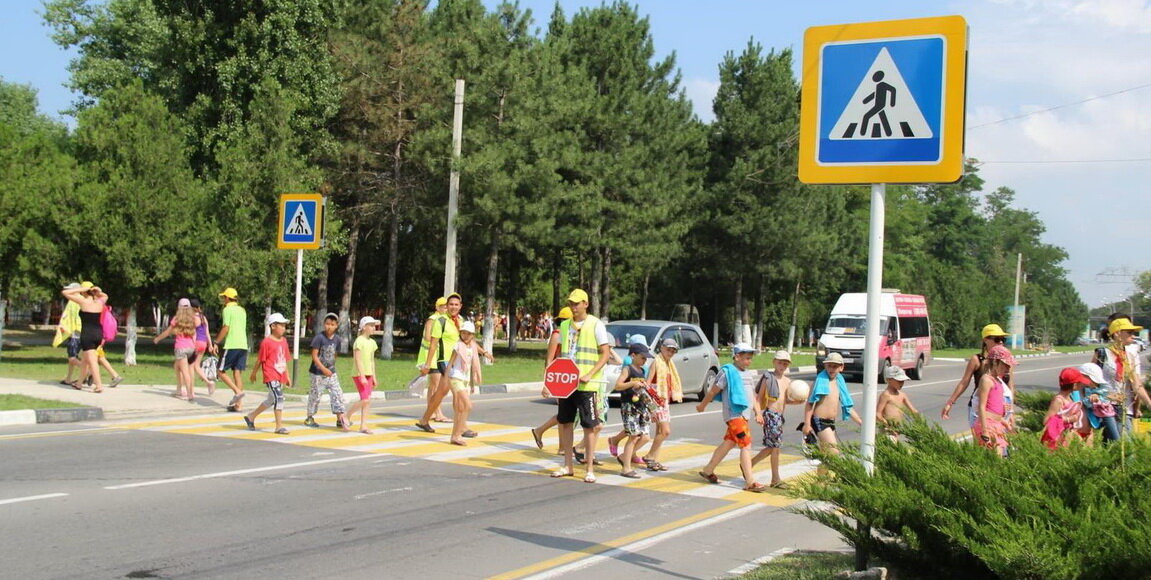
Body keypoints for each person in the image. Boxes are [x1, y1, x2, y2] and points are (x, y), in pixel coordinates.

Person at [550, 289, 613, 484]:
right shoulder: (565, 325)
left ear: (586, 304)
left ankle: (589, 468)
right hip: (567, 383)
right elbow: (560, 354)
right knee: (565, 423)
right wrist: (550, 381)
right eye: (571, 303)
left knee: (589, 426)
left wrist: (590, 373)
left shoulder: (596, 324)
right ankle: (567, 465)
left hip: (587, 385)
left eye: (577, 303)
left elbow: (605, 353)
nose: (573, 307)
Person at [696, 343, 766, 492]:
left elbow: (753, 395)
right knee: (746, 444)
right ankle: (750, 481)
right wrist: (702, 405)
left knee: (729, 443)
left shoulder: (748, 374)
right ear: (737, 357)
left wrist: (758, 412)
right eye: (746, 358)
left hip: (744, 415)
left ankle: (708, 470)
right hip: (734, 415)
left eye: (750, 358)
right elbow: (713, 391)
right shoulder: (727, 372)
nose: (749, 361)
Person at [942, 323, 1016, 435]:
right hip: (979, 408)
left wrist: (1011, 411)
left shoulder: (1007, 360)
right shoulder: (977, 360)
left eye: (1003, 339)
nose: (1001, 342)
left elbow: (1010, 386)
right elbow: (964, 382)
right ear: (985, 340)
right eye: (997, 339)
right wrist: (950, 402)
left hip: (1001, 409)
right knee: (982, 440)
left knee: (1001, 442)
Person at [802, 352, 863, 472]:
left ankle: (820, 482)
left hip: (831, 422)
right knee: (834, 452)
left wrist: (860, 422)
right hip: (819, 421)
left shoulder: (839, 382)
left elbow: (847, 406)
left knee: (826, 455)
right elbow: (809, 403)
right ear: (825, 366)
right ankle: (836, 477)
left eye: (835, 366)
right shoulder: (819, 381)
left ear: (841, 367)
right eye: (829, 366)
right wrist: (807, 424)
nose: (831, 369)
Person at [1096, 317, 1151, 435]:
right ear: (1117, 334)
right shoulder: (1102, 354)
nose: (1133, 336)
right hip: (1105, 407)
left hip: (1125, 408)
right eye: (1129, 333)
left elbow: (1137, 385)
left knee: (1124, 443)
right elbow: (1090, 382)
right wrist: (1105, 395)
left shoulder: (1129, 356)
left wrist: (1148, 403)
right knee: (1118, 441)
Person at [417, 293, 463, 432]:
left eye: (456, 304)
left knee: (440, 392)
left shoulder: (460, 320)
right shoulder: (439, 320)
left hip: (456, 361)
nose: (453, 307)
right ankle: (461, 428)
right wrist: (427, 364)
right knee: (458, 392)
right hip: (444, 361)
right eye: (450, 304)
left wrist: (483, 352)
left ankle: (424, 420)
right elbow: (432, 343)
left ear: (460, 306)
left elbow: (465, 339)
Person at [530, 306, 573, 450]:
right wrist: (547, 383)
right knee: (564, 413)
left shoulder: (573, 335)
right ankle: (561, 446)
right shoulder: (557, 335)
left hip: (570, 376)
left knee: (567, 414)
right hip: (559, 378)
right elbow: (549, 360)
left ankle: (540, 431)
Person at [637, 338, 684, 472]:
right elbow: (647, 385)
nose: (671, 353)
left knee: (660, 432)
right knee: (665, 431)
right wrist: (651, 407)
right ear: (662, 348)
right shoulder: (656, 362)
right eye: (668, 350)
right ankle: (649, 456)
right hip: (655, 401)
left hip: (664, 401)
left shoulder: (669, 364)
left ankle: (654, 460)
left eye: (673, 351)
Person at [751, 350, 794, 487]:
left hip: (780, 417)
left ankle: (774, 478)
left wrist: (798, 401)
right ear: (774, 362)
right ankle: (750, 465)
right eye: (780, 362)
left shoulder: (787, 381)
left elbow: (787, 400)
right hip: (770, 415)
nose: (782, 366)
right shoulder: (768, 378)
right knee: (774, 446)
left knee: (775, 448)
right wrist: (758, 413)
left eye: (785, 363)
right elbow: (758, 398)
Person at [243, 313, 291, 434]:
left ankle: (251, 416)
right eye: (281, 325)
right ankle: (279, 426)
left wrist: (287, 376)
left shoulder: (284, 341)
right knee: (279, 398)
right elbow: (260, 359)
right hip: (271, 375)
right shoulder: (267, 342)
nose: (284, 328)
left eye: (284, 326)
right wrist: (254, 373)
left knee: (271, 399)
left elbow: (284, 360)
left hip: (280, 375)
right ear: (273, 326)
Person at [613, 342, 654, 479]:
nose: (645, 360)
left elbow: (643, 391)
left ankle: (624, 457)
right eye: (642, 357)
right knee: (633, 436)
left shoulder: (642, 371)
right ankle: (626, 468)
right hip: (629, 406)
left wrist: (652, 408)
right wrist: (632, 383)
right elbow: (618, 386)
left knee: (645, 437)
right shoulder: (628, 369)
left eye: (646, 358)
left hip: (641, 406)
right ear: (633, 355)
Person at [305, 312, 351, 431]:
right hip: (317, 373)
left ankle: (340, 418)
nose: (329, 326)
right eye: (327, 324)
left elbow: (335, 354)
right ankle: (309, 417)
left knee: (337, 394)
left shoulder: (337, 339)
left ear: (336, 326)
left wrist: (330, 367)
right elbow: (314, 356)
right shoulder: (319, 338)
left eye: (332, 324)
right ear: (324, 324)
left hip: (331, 372)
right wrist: (323, 369)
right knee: (316, 395)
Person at [61, 282, 110, 393]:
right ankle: (79, 383)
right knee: (85, 360)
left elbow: (65, 292)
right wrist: (98, 291)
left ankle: (99, 385)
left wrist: (81, 289)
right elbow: (105, 296)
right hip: (98, 334)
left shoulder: (83, 301)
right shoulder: (99, 302)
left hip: (87, 335)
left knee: (92, 361)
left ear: (84, 292)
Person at [974, 345, 1015, 456]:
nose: (1008, 368)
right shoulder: (986, 380)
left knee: (1000, 456)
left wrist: (1004, 421)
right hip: (988, 425)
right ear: (995, 362)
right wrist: (984, 430)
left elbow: (995, 406)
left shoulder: (998, 381)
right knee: (995, 458)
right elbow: (982, 406)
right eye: (1005, 365)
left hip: (997, 424)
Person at [446, 321, 482, 445]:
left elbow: (470, 366)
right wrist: (446, 378)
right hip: (455, 378)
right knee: (467, 405)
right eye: (463, 333)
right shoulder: (458, 346)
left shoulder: (472, 347)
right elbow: (450, 363)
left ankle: (455, 435)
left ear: (472, 335)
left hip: (465, 380)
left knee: (460, 408)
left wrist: (471, 384)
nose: (465, 336)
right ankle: (458, 433)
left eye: (468, 333)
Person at [153, 299, 198, 401]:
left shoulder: (176, 319)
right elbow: (194, 333)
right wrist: (195, 345)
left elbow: (168, 332)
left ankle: (190, 393)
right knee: (177, 366)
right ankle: (179, 389)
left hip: (181, 347)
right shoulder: (192, 319)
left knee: (185, 372)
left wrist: (158, 339)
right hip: (190, 347)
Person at [416, 297, 452, 422]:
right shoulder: (433, 319)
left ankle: (430, 411)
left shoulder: (445, 320)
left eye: (446, 306)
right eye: (442, 306)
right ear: (437, 307)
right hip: (430, 357)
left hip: (437, 356)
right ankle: (438, 413)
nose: (445, 308)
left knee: (433, 386)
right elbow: (427, 337)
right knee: (437, 386)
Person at [344, 316, 380, 434]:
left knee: (367, 400)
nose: (373, 328)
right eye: (371, 326)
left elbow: (372, 361)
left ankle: (363, 425)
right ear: (364, 327)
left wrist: (374, 376)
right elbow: (358, 359)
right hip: (359, 374)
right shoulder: (359, 341)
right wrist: (362, 375)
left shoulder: (372, 342)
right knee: (365, 400)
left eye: (374, 326)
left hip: (369, 374)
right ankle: (346, 416)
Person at [214, 287, 248, 412]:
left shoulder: (227, 310)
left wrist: (216, 342)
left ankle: (237, 391)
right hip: (243, 345)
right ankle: (239, 405)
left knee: (220, 371)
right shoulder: (242, 310)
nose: (223, 300)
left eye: (224, 297)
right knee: (237, 373)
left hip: (232, 344)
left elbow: (226, 328)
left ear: (228, 298)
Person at [1042, 368, 1089, 450]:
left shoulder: (1070, 397)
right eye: (1080, 382)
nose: (1082, 384)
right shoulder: (1058, 400)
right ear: (1074, 385)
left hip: (1068, 436)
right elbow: (1046, 421)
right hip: (1059, 439)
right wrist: (1068, 419)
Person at [876, 365, 920, 442]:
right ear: (889, 380)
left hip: (897, 430)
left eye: (903, 381)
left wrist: (919, 422)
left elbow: (913, 411)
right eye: (899, 381)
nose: (902, 383)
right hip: (887, 431)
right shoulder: (886, 395)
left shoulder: (902, 395)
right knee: (890, 446)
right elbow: (878, 414)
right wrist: (889, 426)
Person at [56, 282, 85, 388]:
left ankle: (88, 371)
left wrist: (64, 328)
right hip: (82, 331)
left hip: (75, 332)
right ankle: (68, 378)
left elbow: (70, 318)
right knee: (74, 356)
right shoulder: (83, 300)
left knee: (72, 357)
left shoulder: (73, 302)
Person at [188, 299, 216, 394]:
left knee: (191, 366)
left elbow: (193, 333)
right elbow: (207, 332)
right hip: (203, 343)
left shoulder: (194, 318)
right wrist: (210, 345)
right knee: (196, 366)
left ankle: (191, 390)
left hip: (196, 342)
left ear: (192, 308)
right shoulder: (203, 317)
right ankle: (209, 383)